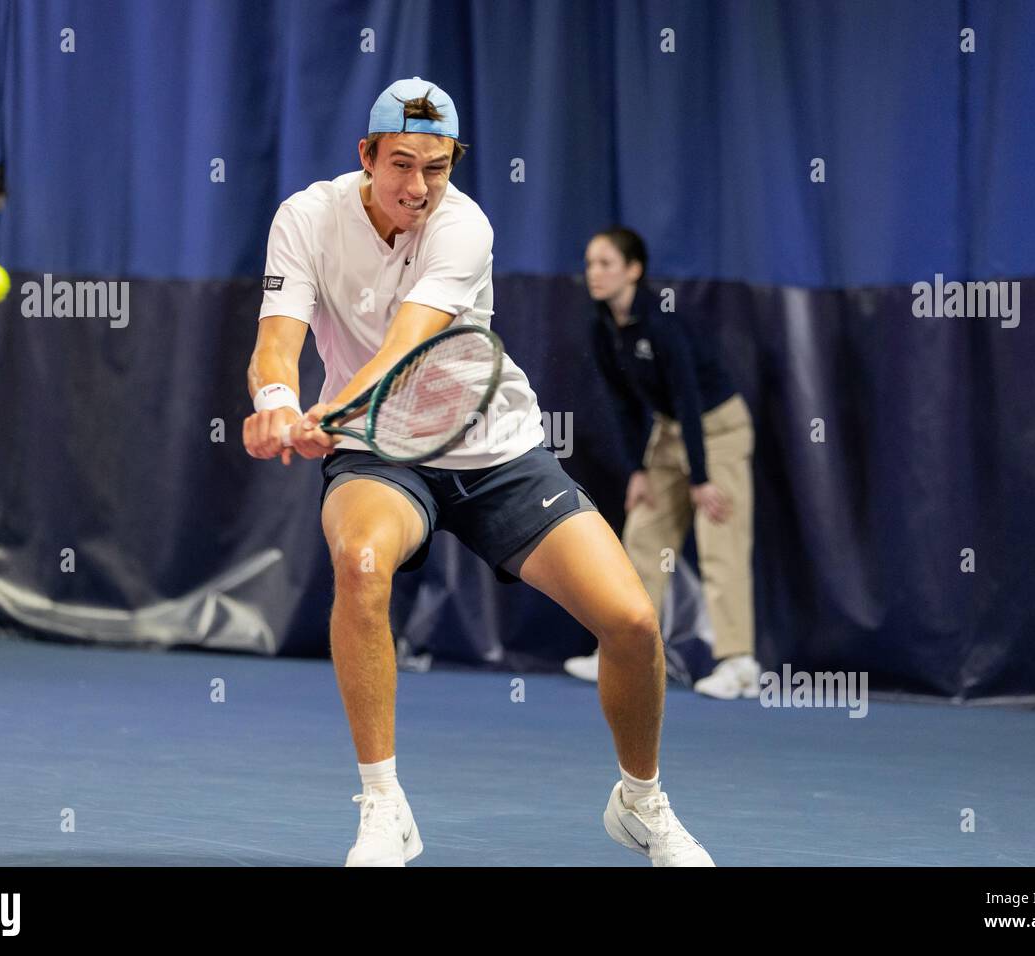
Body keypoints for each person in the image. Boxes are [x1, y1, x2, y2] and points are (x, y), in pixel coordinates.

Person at [241, 79, 713, 866]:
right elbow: (275, 344)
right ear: (365, 156)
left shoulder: (464, 227)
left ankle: (640, 801)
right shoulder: (306, 217)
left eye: (437, 166)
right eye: (400, 164)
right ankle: (384, 807)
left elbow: (401, 351)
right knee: (360, 565)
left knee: (631, 624)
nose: (418, 187)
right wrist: (279, 401)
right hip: (378, 455)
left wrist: (319, 417)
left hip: (495, 450)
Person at [563, 228, 760, 700]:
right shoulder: (601, 325)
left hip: (717, 429)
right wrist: (637, 469)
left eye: (606, 263)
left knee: (721, 541)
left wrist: (702, 477)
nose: (595, 273)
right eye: (590, 263)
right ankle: (624, 653)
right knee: (643, 535)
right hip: (669, 434)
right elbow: (624, 403)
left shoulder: (662, 319)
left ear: (634, 270)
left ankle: (740, 664)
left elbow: (688, 397)